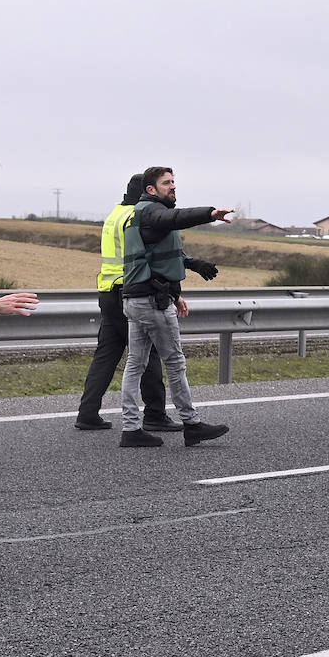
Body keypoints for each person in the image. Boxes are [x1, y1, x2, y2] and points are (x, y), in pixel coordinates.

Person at [75, 174, 215, 432]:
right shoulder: (139, 215)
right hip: (134, 289)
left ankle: (87, 412)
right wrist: (175, 289)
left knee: (107, 355)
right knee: (148, 355)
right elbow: (153, 254)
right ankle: (154, 414)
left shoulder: (114, 215)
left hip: (108, 291)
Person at [117, 166, 233, 448]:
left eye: (174, 182)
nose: (173, 187)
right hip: (152, 302)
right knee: (175, 363)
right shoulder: (151, 212)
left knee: (135, 364)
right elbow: (176, 218)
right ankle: (191, 424)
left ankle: (131, 428)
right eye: (166, 183)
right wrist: (210, 213)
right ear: (151, 190)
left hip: (135, 299)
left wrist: (194, 264)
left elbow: (160, 252)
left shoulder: (139, 216)